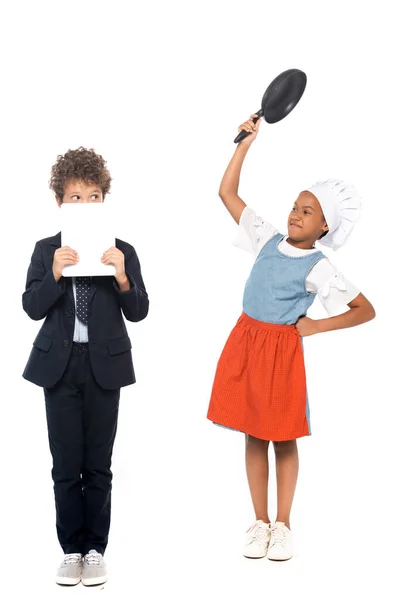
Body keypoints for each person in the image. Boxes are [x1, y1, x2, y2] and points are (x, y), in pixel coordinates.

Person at [207, 115, 375, 561]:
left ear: (324, 227)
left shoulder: (318, 266)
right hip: (246, 342)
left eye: (307, 211)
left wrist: (317, 325)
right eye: (295, 206)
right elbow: (227, 193)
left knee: (283, 437)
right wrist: (245, 143)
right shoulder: (265, 237)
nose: (295, 214)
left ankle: (283, 525)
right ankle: (258, 521)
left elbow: (365, 309)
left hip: (281, 353)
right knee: (252, 434)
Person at [22, 147, 149, 586]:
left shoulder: (122, 250)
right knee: (64, 464)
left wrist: (123, 277)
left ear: (103, 199)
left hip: (104, 369)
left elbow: (140, 311)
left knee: (98, 462)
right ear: (60, 201)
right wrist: (54, 275)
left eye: (93, 195)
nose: (84, 204)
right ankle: (70, 549)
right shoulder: (46, 250)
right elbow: (31, 308)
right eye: (75, 197)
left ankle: (95, 548)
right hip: (58, 368)